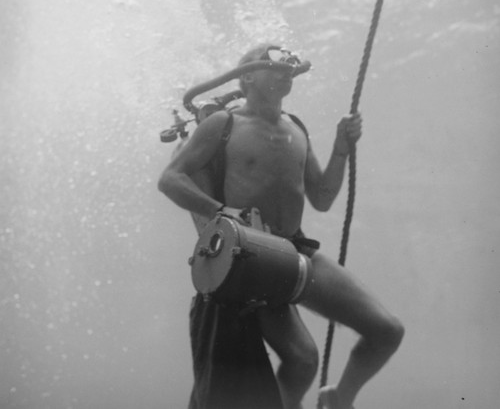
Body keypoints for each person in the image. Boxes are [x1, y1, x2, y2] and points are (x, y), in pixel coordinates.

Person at [158, 44, 404, 409]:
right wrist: (221, 210)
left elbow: (322, 197)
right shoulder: (223, 124)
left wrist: (341, 148)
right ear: (247, 77)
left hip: (296, 251)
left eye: (289, 63)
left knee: (387, 331)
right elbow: (171, 180)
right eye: (273, 61)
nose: (286, 67)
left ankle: (340, 398)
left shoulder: (297, 128)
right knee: (304, 361)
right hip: (252, 258)